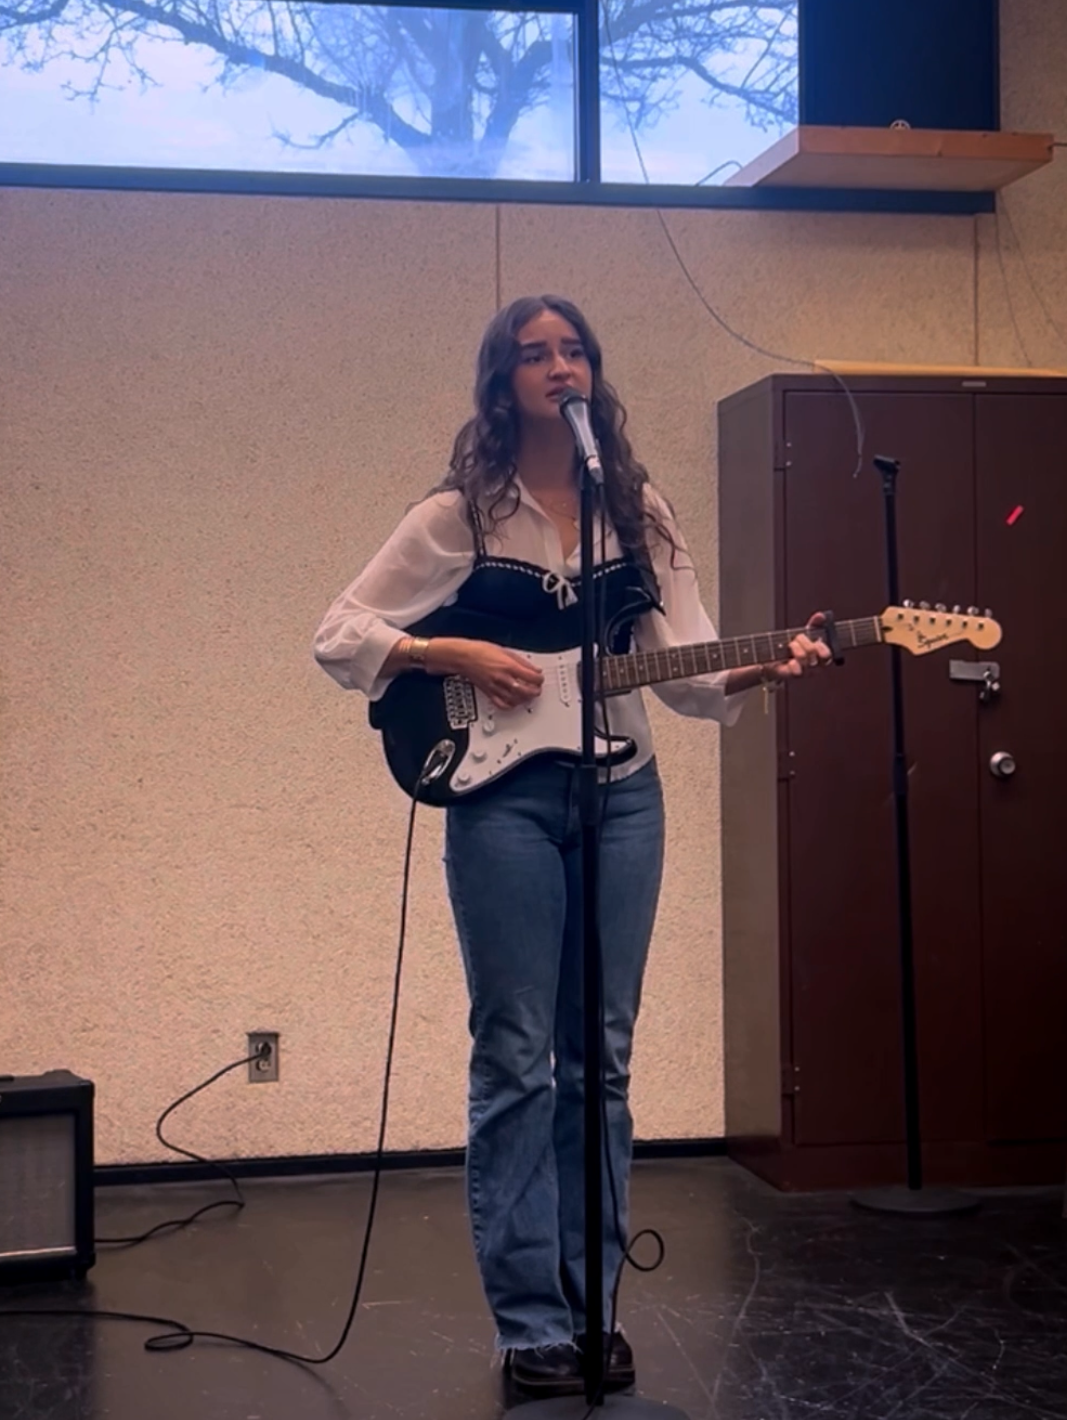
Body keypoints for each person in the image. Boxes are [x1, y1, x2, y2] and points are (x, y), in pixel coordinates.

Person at [313, 296, 832, 1400]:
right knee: (516, 1053)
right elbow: (341, 632)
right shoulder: (461, 511)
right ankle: (531, 1320)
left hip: (624, 795)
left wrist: (761, 667)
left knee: (602, 1054)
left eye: (574, 349)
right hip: (502, 802)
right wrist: (456, 647)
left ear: (595, 372)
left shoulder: (636, 508)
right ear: (502, 384)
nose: (559, 365)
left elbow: (686, 667)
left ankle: (594, 1304)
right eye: (534, 353)